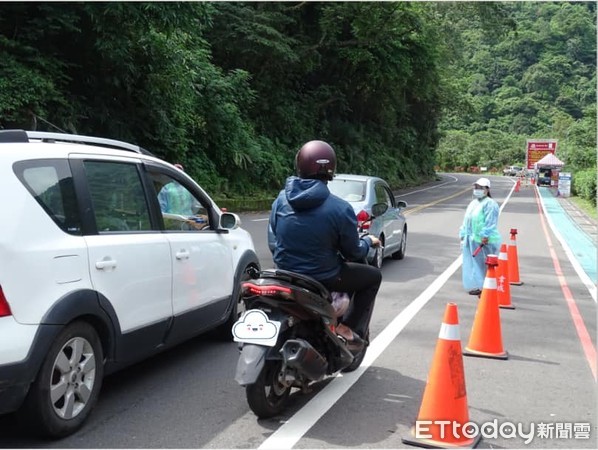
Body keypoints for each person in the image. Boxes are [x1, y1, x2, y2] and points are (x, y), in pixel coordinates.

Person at [268, 140, 382, 349]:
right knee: (373, 277)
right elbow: (352, 251)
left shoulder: (280, 200)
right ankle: (347, 328)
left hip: (284, 273)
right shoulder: (340, 208)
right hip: (323, 276)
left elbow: (274, 237)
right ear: (330, 169)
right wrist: (367, 241)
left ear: (300, 165)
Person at [459, 177, 502, 296]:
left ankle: (487, 289)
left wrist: (485, 235)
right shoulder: (474, 203)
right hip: (472, 239)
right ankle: (480, 286)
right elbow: (466, 221)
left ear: (487, 190)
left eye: (480, 188)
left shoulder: (490, 204)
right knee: (475, 265)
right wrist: (463, 234)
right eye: (476, 187)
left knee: (483, 265)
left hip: (484, 241)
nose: (477, 190)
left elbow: (490, 222)